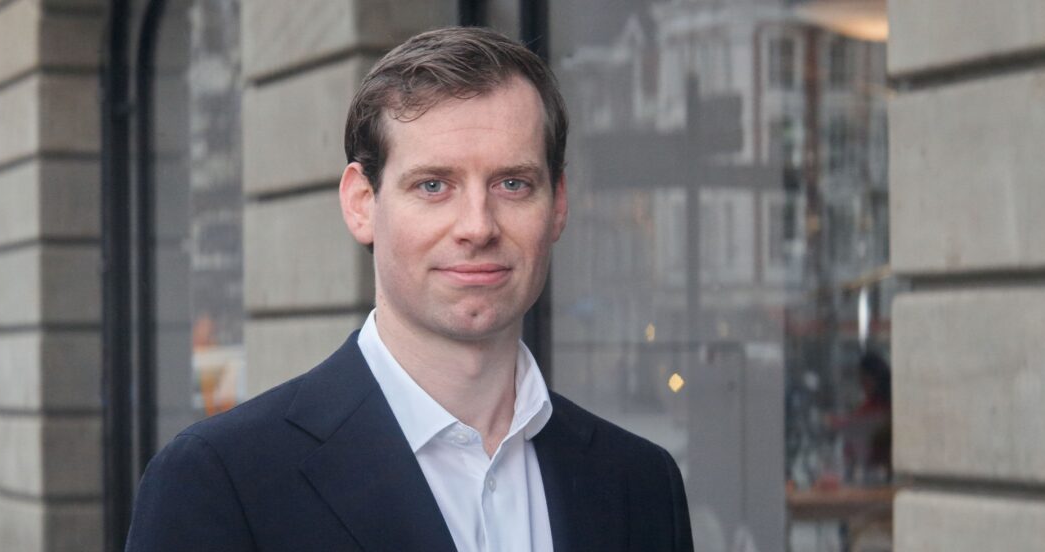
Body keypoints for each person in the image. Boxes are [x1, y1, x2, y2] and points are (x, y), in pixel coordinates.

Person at [127, 27, 694, 551]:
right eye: (433, 186)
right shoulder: (219, 482)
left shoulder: (640, 484)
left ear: (558, 204)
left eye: (512, 183)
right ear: (361, 204)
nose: (478, 226)